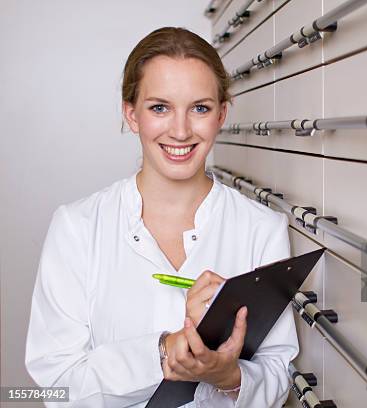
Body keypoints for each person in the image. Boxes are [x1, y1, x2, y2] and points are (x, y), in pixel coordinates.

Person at [25, 27, 298, 407]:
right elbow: (56, 386)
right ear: (131, 114)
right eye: (159, 108)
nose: (181, 130)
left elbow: (278, 373)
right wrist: (161, 352)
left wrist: (229, 377)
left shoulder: (261, 229)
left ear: (221, 114)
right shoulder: (77, 227)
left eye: (199, 108)